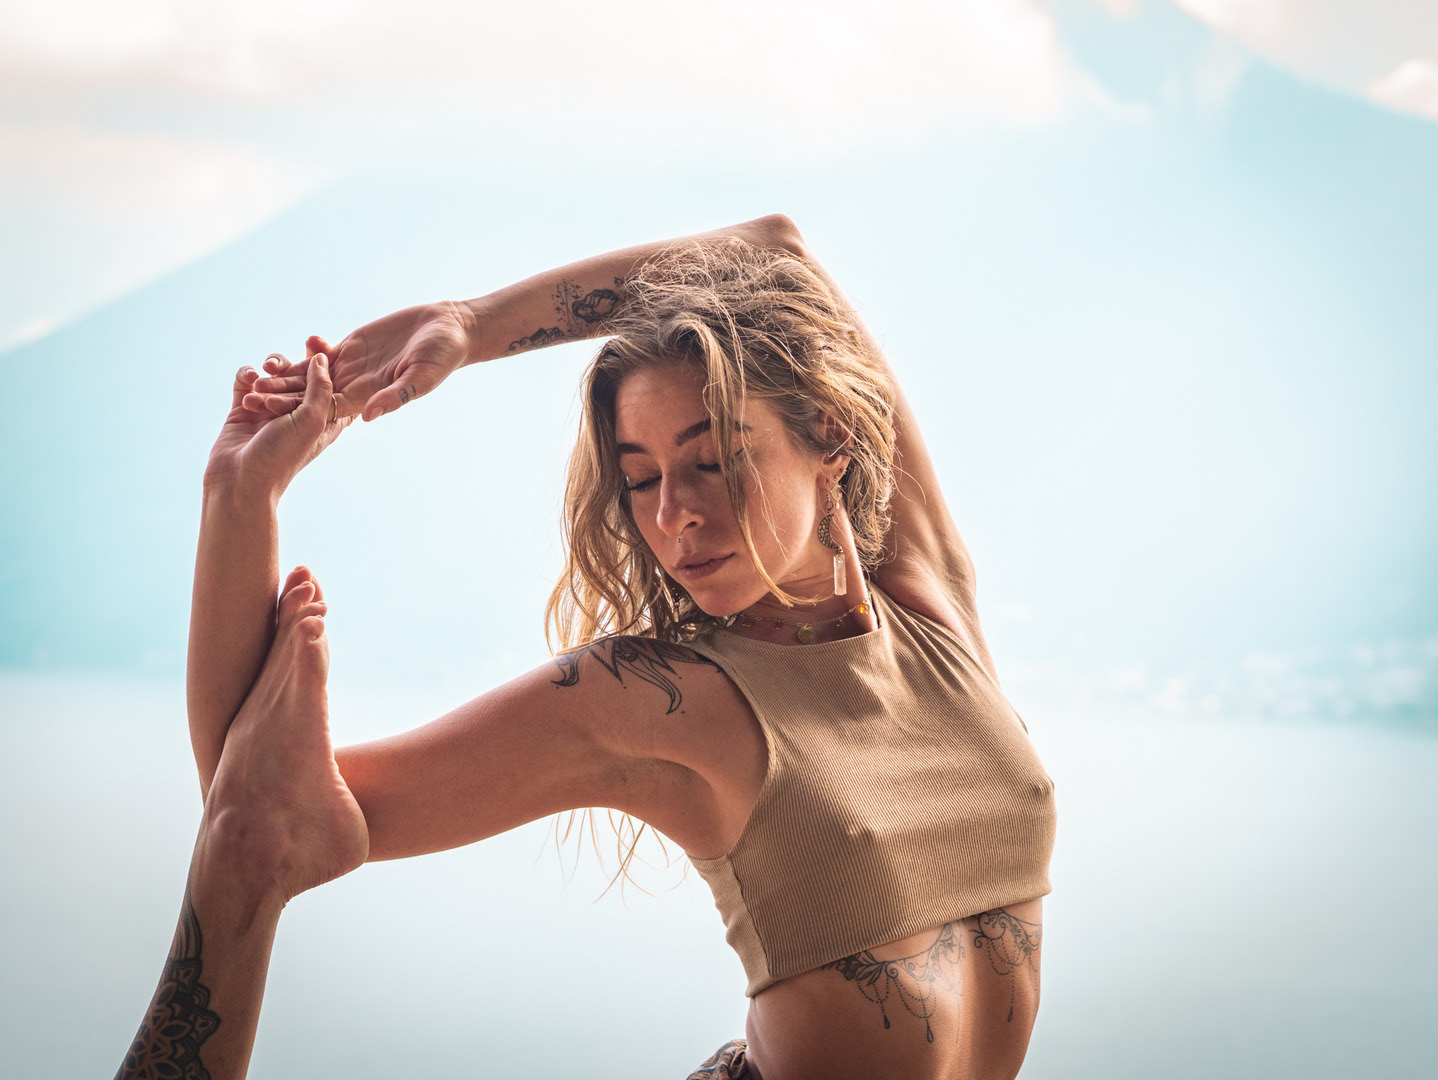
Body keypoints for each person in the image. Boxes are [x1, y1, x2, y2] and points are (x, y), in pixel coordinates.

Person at [121, 215, 1057, 1080]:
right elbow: (261, 809)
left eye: (712, 461)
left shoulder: (930, 603)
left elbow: (774, 255)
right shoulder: (658, 694)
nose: (674, 514)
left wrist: (469, 324)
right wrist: (239, 498)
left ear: (828, 436)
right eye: (639, 477)